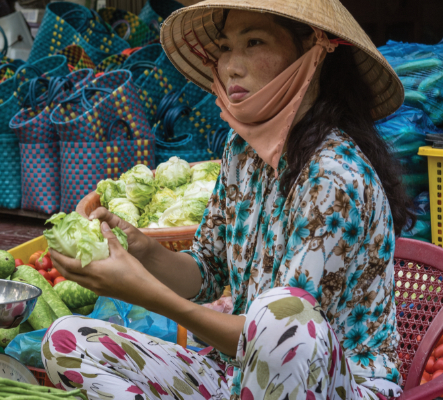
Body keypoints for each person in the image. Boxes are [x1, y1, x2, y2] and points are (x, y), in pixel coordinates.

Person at [43, 0, 414, 398]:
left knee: (281, 316)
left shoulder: (335, 177)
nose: (231, 66)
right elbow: (206, 272)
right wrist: (141, 251)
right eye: (224, 48)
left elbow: (280, 337)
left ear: (313, 53)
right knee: (67, 341)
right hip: (237, 376)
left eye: (254, 42)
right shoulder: (242, 153)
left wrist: (144, 291)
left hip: (334, 386)